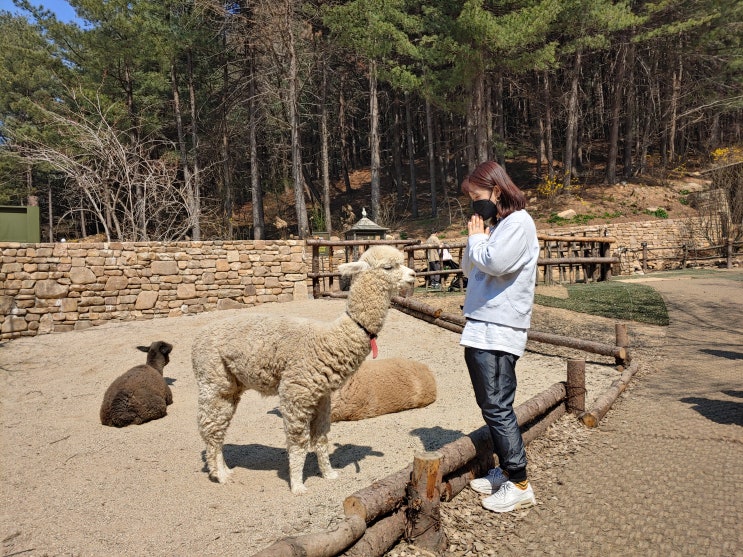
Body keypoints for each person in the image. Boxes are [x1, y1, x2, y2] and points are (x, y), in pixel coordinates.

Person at [459, 160, 540, 513]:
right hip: (482, 328)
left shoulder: (519, 222)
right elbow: (468, 267)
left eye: (477, 197)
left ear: (496, 190)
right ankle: (506, 472)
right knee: (491, 405)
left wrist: (479, 241)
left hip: (499, 331)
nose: (475, 206)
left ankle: (520, 482)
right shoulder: (500, 225)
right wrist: (475, 238)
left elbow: (494, 263)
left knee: (497, 406)